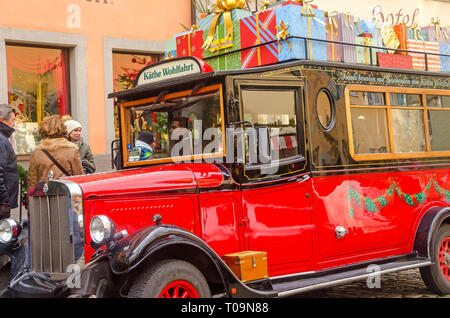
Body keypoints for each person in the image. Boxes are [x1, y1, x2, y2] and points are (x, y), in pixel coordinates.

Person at [27, 115, 84, 188]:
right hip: (66, 193)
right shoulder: (71, 149)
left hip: (44, 194)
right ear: (63, 128)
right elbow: (79, 177)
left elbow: (32, 179)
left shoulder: (37, 152)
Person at [0, 104, 18, 219]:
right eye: (12, 120)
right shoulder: (1, 141)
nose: (14, 123)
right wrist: (4, 200)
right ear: (2, 120)